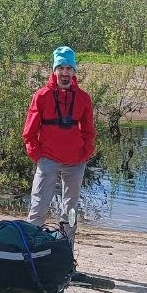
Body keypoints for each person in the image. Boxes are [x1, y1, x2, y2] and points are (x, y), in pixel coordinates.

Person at [23, 46, 96, 232]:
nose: (65, 72)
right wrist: (38, 156)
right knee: (38, 207)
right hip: (48, 159)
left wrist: (85, 153)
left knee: (70, 211)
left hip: (75, 162)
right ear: (54, 70)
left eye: (69, 68)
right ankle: (31, 249)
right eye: (61, 68)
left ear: (74, 71)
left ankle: (67, 249)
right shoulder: (41, 96)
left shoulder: (83, 98)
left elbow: (89, 131)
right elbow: (29, 133)